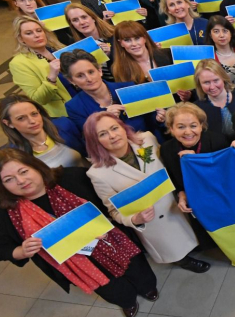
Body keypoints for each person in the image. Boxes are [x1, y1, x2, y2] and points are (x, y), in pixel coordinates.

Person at [0, 149, 158, 317]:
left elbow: (110, 204)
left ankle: (147, 288)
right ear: (0, 186)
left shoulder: (72, 178)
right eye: (9, 180)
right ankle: (127, 301)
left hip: (112, 243)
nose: (21, 181)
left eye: (24, 171)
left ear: (35, 166)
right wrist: (21, 251)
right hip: (79, 265)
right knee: (111, 289)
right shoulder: (1, 212)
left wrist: (104, 222)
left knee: (138, 270)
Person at [84, 112, 209, 272]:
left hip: (175, 205)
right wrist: (135, 219)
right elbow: (114, 210)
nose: (112, 136)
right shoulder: (97, 173)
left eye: (114, 128)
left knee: (192, 235)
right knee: (175, 250)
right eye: (103, 134)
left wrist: (180, 191)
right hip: (154, 221)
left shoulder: (147, 139)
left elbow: (169, 165)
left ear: (122, 127)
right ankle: (183, 261)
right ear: (95, 142)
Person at [61, 49, 160, 136]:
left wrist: (159, 119)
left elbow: (151, 121)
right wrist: (104, 117)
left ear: (99, 71)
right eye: (80, 76)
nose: (89, 79)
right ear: (71, 81)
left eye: (91, 72)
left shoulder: (128, 87)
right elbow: (90, 139)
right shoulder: (74, 107)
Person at [160, 103, 229, 219]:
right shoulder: (167, 149)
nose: (188, 132)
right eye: (181, 127)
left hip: (222, 200)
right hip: (195, 209)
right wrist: (182, 195)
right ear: (171, 129)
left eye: (193, 126)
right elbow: (175, 181)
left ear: (201, 126)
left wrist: (196, 160)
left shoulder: (218, 141)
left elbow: (226, 176)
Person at [9, 16, 74, 118]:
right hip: (66, 112)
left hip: (87, 97)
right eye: (29, 33)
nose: (36, 35)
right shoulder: (19, 63)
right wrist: (51, 77)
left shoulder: (57, 47)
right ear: (21, 39)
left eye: (39, 31)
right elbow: (39, 99)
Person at [0, 95, 86, 167]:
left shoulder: (64, 125)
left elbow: (87, 151)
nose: (32, 121)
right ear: (8, 123)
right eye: (21, 118)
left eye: (34, 114)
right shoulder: (11, 154)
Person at [193, 58, 235, 138]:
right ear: (199, 84)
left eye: (216, 80)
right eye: (206, 82)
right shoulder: (196, 109)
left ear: (223, 78)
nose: (212, 87)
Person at [64, 2, 116, 81]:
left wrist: (110, 55)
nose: (81, 22)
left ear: (93, 18)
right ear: (72, 25)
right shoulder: (74, 46)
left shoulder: (115, 33)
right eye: (75, 20)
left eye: (84, 17)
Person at [205, 15, 235, 90]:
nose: (221, 35)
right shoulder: (209, 59)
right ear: (210, 35)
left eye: (225, 31)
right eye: (216, 31)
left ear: (231, 33)